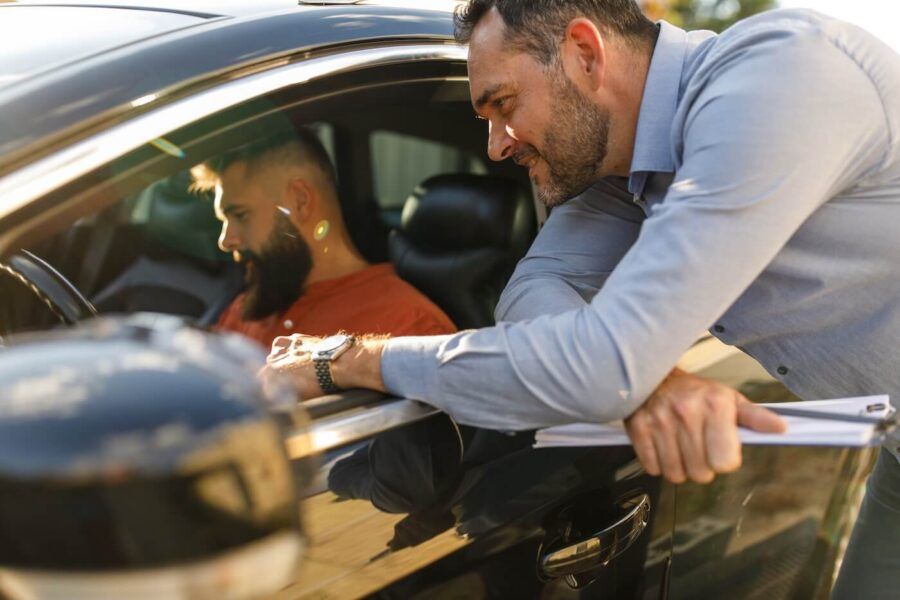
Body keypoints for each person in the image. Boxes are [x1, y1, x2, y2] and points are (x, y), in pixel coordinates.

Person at [264, 2, 900, 595]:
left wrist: (345, 360)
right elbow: (531, 296)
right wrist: (646, 379)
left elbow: (599, 368)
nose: (496, 145)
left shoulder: (780, 81)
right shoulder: (620, 176)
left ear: (585, 54)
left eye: (503, 103)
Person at [192, 128, 456, 350]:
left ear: (300, 200)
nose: (226, 241)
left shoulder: (409, 327)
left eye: (241, 215)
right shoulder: (247, 308)